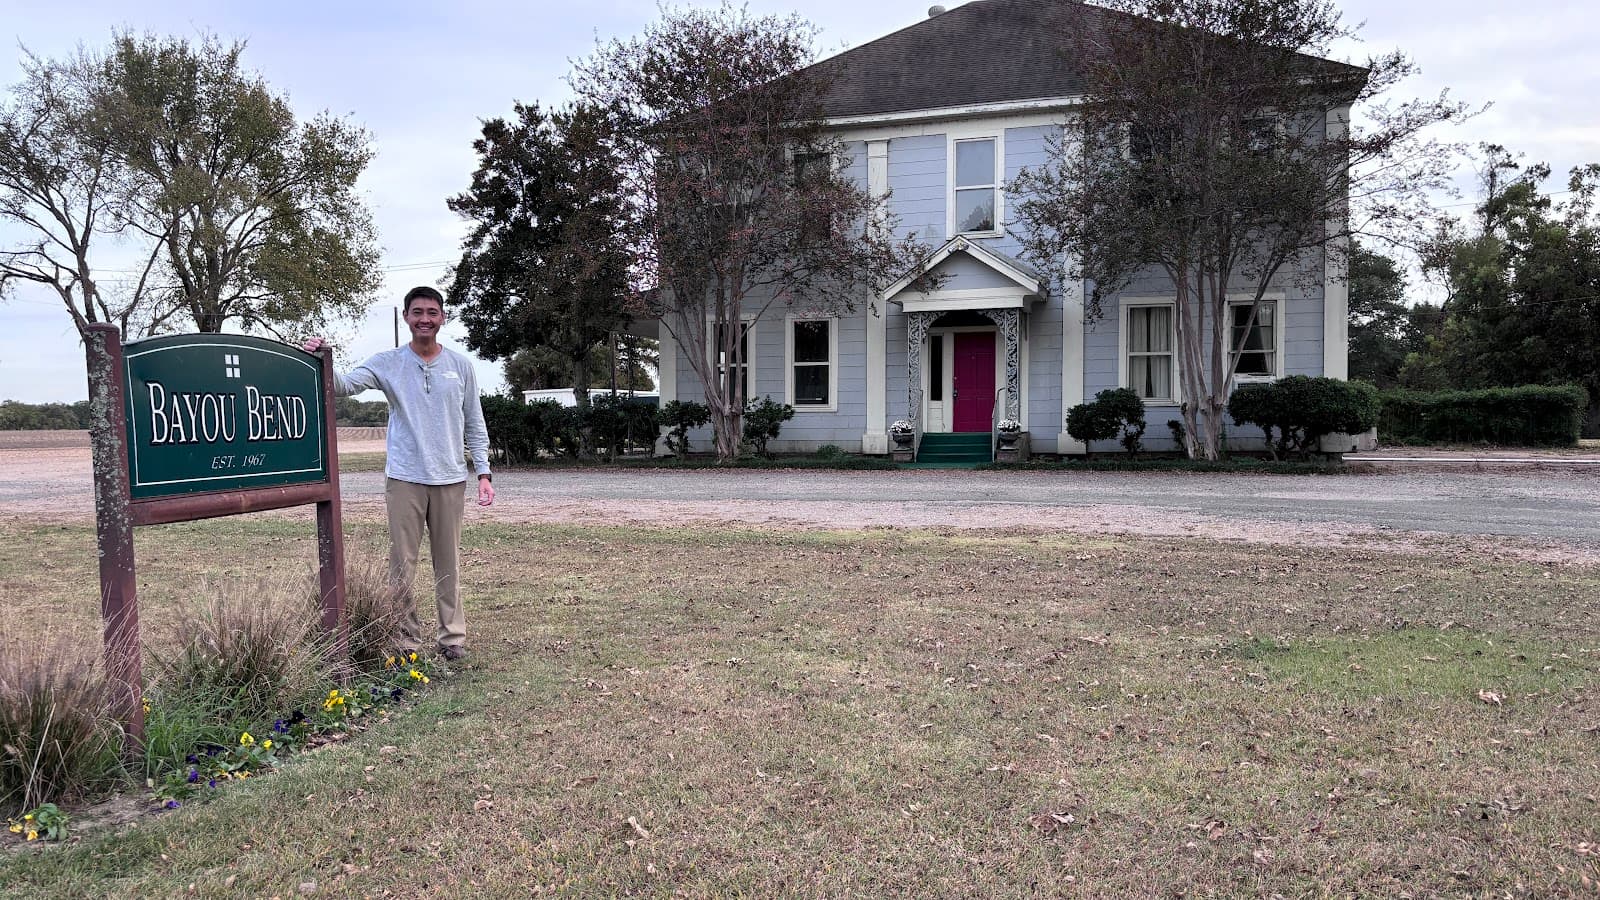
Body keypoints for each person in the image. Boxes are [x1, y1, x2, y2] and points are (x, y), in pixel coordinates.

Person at [303, 286, 493, 661]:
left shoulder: (461, 367)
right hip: (405, 477)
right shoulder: (389, 362)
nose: (425, 319)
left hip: (450, 478)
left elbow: (475, 421)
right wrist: (320, 357)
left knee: (448, 562)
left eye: (433, 312)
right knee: (402, 563)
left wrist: (483, 472)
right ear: (406, 317)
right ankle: (406, 641)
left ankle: (452, 638)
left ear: (442, 318)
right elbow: (343, 386)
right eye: (418, 312)